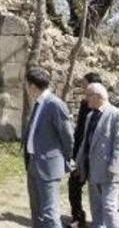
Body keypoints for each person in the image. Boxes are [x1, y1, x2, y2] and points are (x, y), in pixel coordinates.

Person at [23, 67, 74, 228]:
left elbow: (68, 136)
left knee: (49, 214)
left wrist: (66, 158)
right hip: (33, 163)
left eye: (26, 84)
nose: (25, 88)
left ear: (32, 86)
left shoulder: (54, 104)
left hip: (48, 166)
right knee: (36, 212)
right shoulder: (39, 103)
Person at [75, 83, 119, 228]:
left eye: (88, 96)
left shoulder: (118, 115)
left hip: (109, 170)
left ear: (98, 96)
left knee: (109, 207)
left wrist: (114, 167)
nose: (86, 99)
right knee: (96, 207)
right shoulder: (90, 115)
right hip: (92, 168)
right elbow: (85, 142)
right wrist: (79, 163)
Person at [68, 72, 104, 228]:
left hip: (97, 157)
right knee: (74, 184)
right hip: (82, 154)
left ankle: (101, 221)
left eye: (84, 84)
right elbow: (80, 131)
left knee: (98, 193)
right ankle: (78, 216)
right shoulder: (84, 104)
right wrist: (75, 154)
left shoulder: (108, 109)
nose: (82, 87)